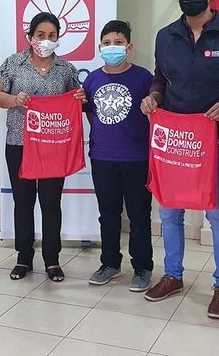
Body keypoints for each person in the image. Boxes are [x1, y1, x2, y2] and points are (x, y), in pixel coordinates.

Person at [140, 0, 219, 319]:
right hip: (174, 138)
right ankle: (173, 275)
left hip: (215, 138)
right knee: (169, 211)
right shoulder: (165, 36)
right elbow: (160, 79)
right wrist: (153, 97)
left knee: (216, 214)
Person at [0, 12, 87, 282]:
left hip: (52, 146)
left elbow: (76, 99)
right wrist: (14, 100)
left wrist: (80, 97)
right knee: (23, 202)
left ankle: (52, 259)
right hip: (19, 144)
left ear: (58, 38)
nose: (46, 40)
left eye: (52, 36)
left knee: (51, 203)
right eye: (41, 35)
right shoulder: (13, 63)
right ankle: (23, 257)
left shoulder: (66, 69)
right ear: (30, 36)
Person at [82, 20, 155, 291]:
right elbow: (91, 114)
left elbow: (155, 110)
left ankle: (143, 267)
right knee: (108, 214)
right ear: (100, 46)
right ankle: (110, 264)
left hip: (137, 157)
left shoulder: (143, 77)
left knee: (139, 215)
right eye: (107, 43)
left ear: (129, 47)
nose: (112, 47)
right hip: (102, 157)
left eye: (118, 42)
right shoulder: (92, 79)